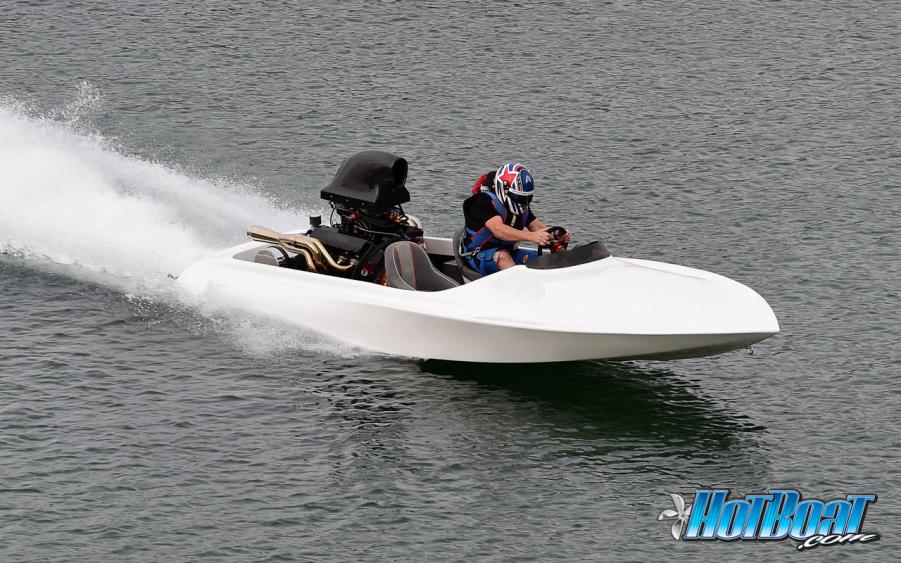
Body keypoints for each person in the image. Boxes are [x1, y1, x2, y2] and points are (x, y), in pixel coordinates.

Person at [461, 162, 572, 275]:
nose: (524, 202)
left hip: (510, 252)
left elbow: (537, 227)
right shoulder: (482, 202)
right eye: (520, 197)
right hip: (479, 256)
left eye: (527, 198)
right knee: (503, 257)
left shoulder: (520, 207)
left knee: (542, 260)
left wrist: (557, 234)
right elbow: (498, 230)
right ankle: (520, 285)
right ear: (505, 190)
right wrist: (532, 236)